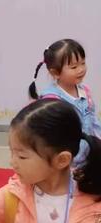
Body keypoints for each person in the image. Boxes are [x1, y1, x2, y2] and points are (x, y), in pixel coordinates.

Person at [29, 39, 101, 167]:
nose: (81, 69)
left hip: (89, 155)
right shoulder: (52, 99)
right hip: (68, 161)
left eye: (83, 63)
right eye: (74, 67)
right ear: (55, 73)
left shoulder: (85, 91)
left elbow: (93, 120)